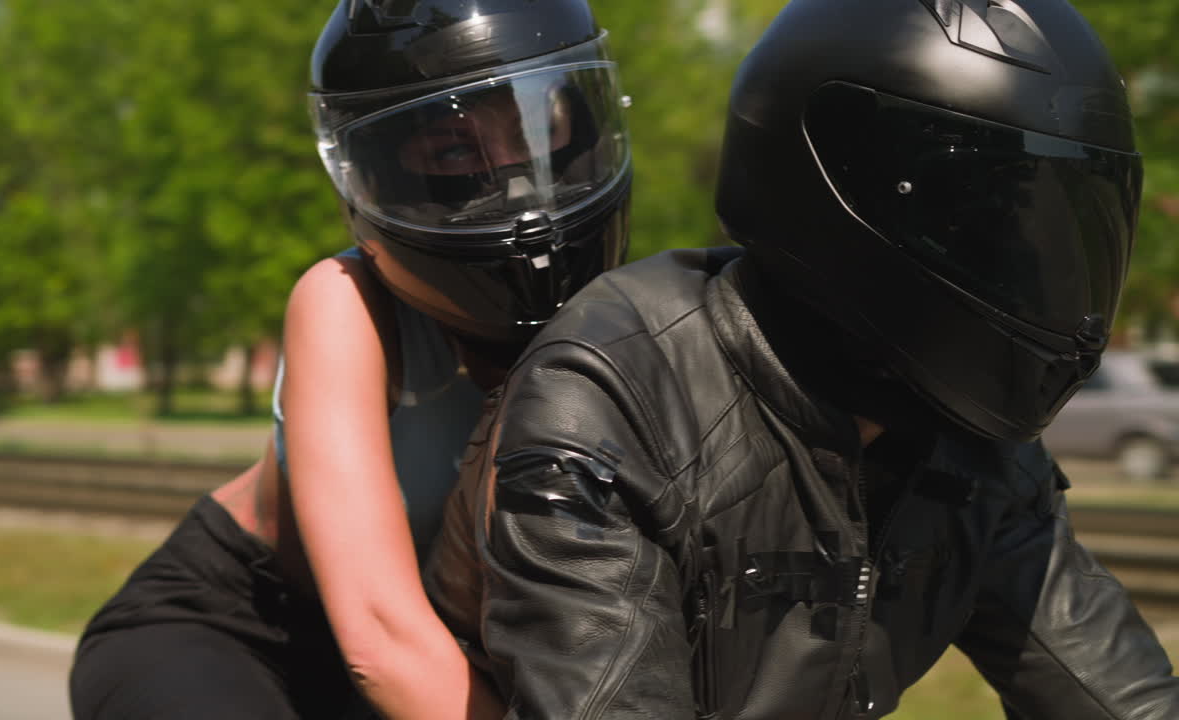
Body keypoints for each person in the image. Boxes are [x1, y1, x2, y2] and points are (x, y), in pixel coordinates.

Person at [424, 0, 1179, 717]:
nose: (1024, 265)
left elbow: (1119, 696)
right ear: (841, 192)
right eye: (981, 222)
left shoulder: (969, 444)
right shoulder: (616, 397)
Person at [68, 1, 632, 717]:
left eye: (535, 128)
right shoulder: (345, 303)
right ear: (376, 171)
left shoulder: (624, 313)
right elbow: (381, 645)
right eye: (455, 151)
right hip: (247, 629)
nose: (517, 182)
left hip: (448, 656)